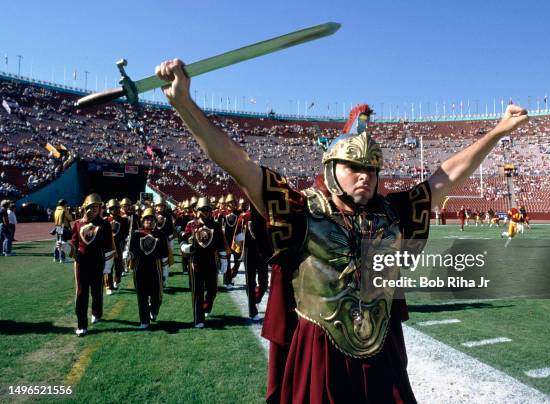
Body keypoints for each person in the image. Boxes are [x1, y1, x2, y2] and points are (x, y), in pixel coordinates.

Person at [155, 58, 528, 403]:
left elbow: (445, 176)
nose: (365, 175)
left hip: (381, 349)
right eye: (353, 167)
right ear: (332, 169)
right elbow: (239, 163)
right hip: (319, 347)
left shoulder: (393, 212)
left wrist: (497, 132)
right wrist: (184, 105)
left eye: (371, 169)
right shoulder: (299, 210)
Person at [57, 193, 115, 336]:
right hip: (81, 263)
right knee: (81, 293)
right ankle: (82, 324)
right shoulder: (77, 223)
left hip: (98, 261)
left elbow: (108, 245)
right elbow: (75, 245)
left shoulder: (105, 224)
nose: (94, 209)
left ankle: (96, 312)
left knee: (96, 291)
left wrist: (108, 265)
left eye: (97, 207)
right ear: (85, 207)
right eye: (91, 206)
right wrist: (66, 247)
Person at [180, 197, 227, 328]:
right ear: (197, 210)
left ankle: (206, 306)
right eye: (202, 210)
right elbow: (183, 239)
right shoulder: (191, 225)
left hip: (211, 261)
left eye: (207, 210)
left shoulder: (216, 226)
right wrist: (185, 247)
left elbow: (221, 244)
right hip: (196, 262)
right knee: (197, 291)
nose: (205, 212)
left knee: (213, 290)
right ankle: (198, 319)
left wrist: (224, 260)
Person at [124, 207, 169, 329]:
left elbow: (164, 255)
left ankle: (154, 310)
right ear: (143, 221)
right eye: (147, 219)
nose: (149, 221)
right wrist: (128, 255)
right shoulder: (136, 234)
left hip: (155, 268)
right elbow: (133, 252)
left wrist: (165, 272)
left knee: (157, 295)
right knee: (141, 295)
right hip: (140, 268)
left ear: (155, 221)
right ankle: (144, 320)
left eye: (152, 219)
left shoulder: (161, 235)